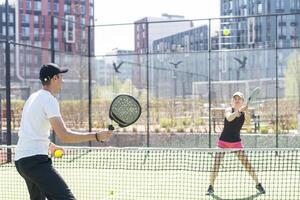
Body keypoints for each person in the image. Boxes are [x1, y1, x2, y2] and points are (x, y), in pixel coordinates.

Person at [14, 63, 113, 200]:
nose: (63, 81)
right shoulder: (49, 100)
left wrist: (48, 145)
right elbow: (65, 136)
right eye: (61, 77)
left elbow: (30, 130)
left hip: (21, 161)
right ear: (54, 79)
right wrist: (96, 136)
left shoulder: (33, 98)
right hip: (35, 162)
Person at [206, 91, 265, 196]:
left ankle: (258, 184)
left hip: (236, 143)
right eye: (235, 99)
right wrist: (238, 111)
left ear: (242, 101)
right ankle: (210, 186)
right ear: (232, 101)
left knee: (247, 165)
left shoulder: (245, 112)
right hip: (223, 142)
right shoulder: (228, 110)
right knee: (216, 165)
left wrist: (245, 113)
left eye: (239, 99)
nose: (237, 100)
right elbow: (229, 118)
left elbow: (248, 126)